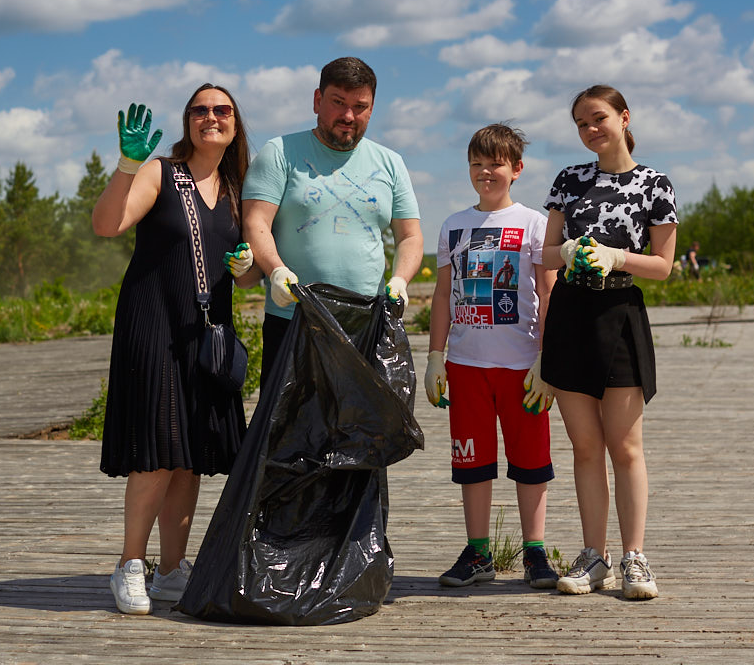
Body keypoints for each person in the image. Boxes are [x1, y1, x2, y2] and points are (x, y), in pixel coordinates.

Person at [92, 85, 262, 615]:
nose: (211, 117)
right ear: (187, 121)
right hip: (154, 327)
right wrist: (126, 164)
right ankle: (129, 565)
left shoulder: (236, 188)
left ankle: (170, 571)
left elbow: (252, 274)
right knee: (158, 452)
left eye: (222, 110)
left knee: (189, 459)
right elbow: (106, 225)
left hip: (205, 335)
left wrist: (246, 269)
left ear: (234, 124)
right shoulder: (159, 172)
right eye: (200, 110)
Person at [539, 85, 677, 601]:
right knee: (585, 447)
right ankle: (593, 557)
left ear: (623, 117)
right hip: (572, 317)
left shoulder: (654, 183)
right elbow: (546, 255)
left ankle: (634, 557)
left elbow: (662, 266)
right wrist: (570, 249)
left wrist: (618, 258)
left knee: (625, 446)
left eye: (598, 119)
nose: (590, 129)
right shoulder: (568, 180)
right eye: (581, 123)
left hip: (620, 315)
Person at [424, 124, 559, 590]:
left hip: (523, 366)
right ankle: (477, 552)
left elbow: (548, 292)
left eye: (496, 164)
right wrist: (435, 357)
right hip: (465, 365)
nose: (486, 172)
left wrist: (548, 358)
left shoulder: (534, 223)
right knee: (472, 461)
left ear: (516, 169)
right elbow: (443, 295)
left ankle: (535, 552)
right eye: (478, 164)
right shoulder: (453, 225)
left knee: (531, 460)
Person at [242, 57, 423, 386]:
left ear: (372, 108)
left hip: (365, 325)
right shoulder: (279, 152)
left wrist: (400, 280)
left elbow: (410, 236)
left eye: (360, 106)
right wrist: (276, 269)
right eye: (338, 102)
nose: (348, 116)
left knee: (358, 433)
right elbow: (256, 222)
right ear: (317, 100)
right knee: (289, 434)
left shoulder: (391, 163)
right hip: (294, 320)